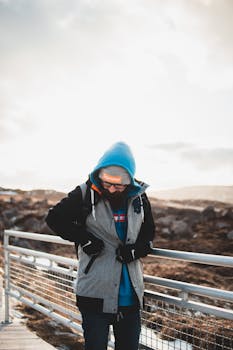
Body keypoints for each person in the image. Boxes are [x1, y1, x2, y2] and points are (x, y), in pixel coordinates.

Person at [45, 141, 155, 350]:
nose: (112, 189)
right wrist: (84, 239)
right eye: (107, 183)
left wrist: (136, 250)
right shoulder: (85, 192)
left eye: (119, 185)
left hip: (130, 296)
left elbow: (148, 233)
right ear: (100, 175)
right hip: (94, 293)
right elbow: (54, 218)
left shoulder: (140, 196)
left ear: (130, 180)